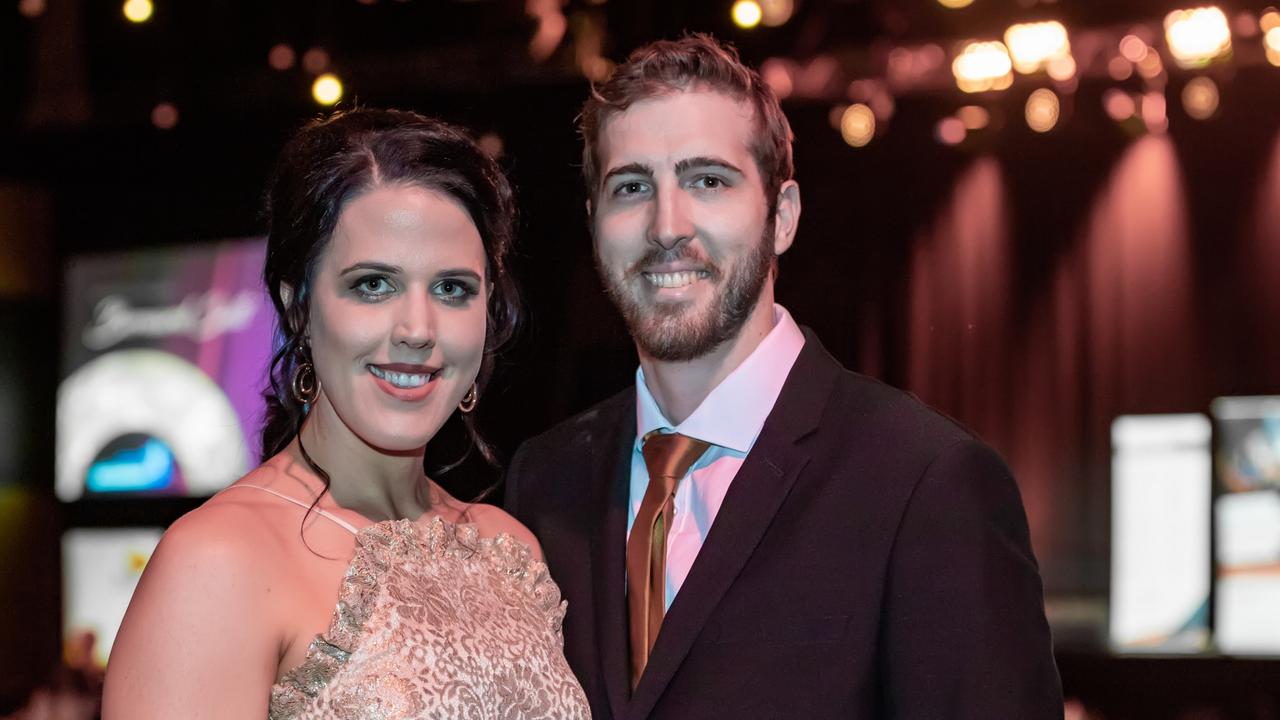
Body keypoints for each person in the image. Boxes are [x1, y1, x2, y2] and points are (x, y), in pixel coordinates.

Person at [504, 35, 1063, 718]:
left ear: (784, 217)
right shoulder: (545, 479)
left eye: (707, 180)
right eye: (632, 186)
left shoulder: (927, 483)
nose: (666, 225)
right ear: (595, 222)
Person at [103, 109, 589, 719]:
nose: (417, 329)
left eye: (452, 289)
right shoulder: (220, 559)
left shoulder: (510, 548)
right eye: (373, 285)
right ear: (300, 309)